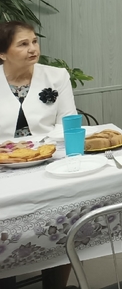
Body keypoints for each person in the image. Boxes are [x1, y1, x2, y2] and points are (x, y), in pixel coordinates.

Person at [0, 21, 77, 289]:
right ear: (2, 53)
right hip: (3, 167)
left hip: (49, 160)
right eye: (23, 44)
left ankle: (55, 283)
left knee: (66, 215)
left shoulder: (56, 76)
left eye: (34, 41)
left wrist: (38, 151)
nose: (33, 49)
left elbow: (67, 124)